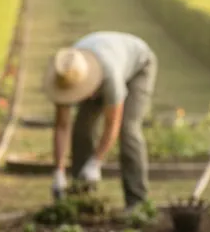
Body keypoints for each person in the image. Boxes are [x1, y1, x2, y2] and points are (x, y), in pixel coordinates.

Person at [42, 31, 157, 210]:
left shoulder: (110, 78)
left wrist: (96, 162)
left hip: (138, 66)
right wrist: (58, 171)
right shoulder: (64, 72)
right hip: (100, 62)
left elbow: (113, 125)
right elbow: (62, 126)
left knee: (128, 130)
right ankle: (81, 196)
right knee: (82, 130)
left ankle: (137, 202)